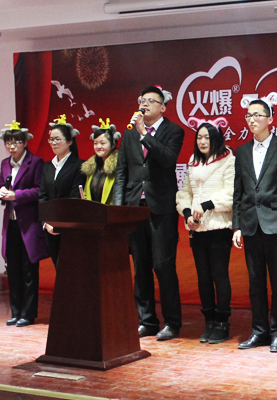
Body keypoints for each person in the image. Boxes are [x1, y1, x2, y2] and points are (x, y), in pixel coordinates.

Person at [113, 85, 185, 341]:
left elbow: (167, 158)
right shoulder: (129, 132)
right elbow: (122, 172)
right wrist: (120, 210)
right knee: (140, 266)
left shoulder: (173, 131)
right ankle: (147, 321)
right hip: (135, 208)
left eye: (151, 101)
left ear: (163, 107)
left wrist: (145, 133)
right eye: (142, 100)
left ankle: (172, 322)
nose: (144, 104)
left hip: (161, 208)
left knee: (163, 265)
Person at [232, 92, 277, 353]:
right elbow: (238, 191)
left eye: (257, 115)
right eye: (248, 116)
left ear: (270, 119)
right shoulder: (242, 151)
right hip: (250, 224)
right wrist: (237, 225)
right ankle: (259, 331)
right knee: (255, 281)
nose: (252, 120)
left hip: (276, 224)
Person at [176, 117, 235, 344]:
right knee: (203, 276)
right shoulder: (193, 161)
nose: (202, 141)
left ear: (216, 139)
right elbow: (184, 192)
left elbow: (231, 193)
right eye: (199, 137)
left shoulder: (228, 159)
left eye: (207, 138)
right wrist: (187, 213)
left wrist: (207, 204)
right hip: (197, 227)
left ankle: (222, 322)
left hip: (219, 226)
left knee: (219, 274)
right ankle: (209, 320)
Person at [0, 121, 50, 327]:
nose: (12, 146)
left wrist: (16, 195)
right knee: (13, 268)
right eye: (8, 143)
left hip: (28, 224)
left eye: (16, 142)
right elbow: (0, 185)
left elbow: (39, 190)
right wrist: (1, 192)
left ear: (25, 143)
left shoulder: (35, 162)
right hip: (10, 222)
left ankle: (28, 314)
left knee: (29, 269)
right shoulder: (4, 163)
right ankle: (15, 311)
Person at [38, 114, 85, 267]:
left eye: (58, 139)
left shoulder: (79, 165)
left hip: (70, 228)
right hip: (50, 228)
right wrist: (46, 222)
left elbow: (74, 198)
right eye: (51, 139)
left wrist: (60, 224)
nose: (54, 143)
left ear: (69, 141)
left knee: (71, 270)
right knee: (59, 270)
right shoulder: (47, 167)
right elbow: (43, 196)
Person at [81, 118, 120, 204]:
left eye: (102, 143)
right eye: (95, 143)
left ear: (113, 144)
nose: (98, 146)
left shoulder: (118, 166)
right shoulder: (91, 167)